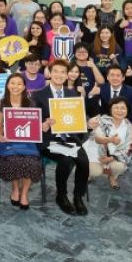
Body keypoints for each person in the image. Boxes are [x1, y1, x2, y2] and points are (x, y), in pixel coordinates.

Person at [35, 59, 90, 215]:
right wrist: (43, 124)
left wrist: (87, 123)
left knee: (83, 161)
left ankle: (78, 197)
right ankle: (61, 196)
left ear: (67, 76)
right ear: (50, 73)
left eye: (63, 72)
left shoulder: (73, 94)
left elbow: (78, 119)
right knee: (65, 161)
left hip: (69, 138)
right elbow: (34, 121)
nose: (59, 75)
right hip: (48, 140)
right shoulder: (39, 95)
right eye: (56, 71)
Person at [0, 73, 44, 210]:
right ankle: (15, 189)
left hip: (27, 143)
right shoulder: (2, 103)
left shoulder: (30, 103)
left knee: (32, 162)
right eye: (12, 83)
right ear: (7, 85)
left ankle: (24, 193)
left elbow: (35, 124)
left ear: (24, 87)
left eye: (19, 84)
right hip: (8, 142)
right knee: (13, 160)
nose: (15, 86)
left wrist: (43, 125)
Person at [84, 97, 132, 190]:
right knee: (95, 171)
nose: (119, 111)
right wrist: (109, 140)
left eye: (123, 108)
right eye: (116, 107)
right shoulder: (102, 120)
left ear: (128, 110)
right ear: (110, 109)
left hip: (114, 156)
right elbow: (96, 139)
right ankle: (89, 174)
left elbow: (129, 148)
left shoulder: (129, 126)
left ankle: (113, 177)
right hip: (96, 153)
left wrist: (111, 158)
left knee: (119, 167)